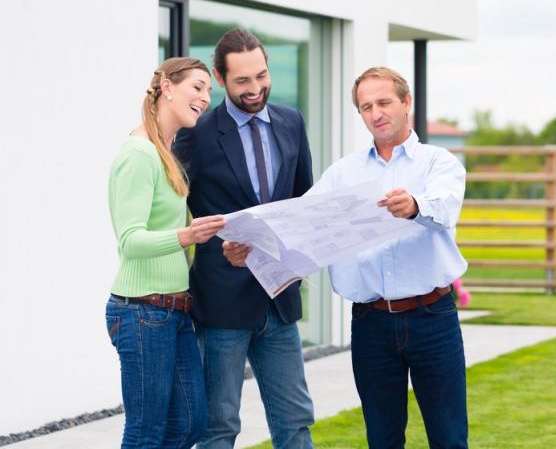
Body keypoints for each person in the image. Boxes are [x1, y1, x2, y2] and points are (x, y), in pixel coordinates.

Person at [225, 66, 470, 449]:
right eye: (366, 106)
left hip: (432, 319)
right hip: (370, 324)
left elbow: (445, 205)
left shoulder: (438, 163)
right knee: (382, 438)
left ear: (406, 103)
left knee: (449, 437)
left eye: (384, 102)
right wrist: (250, 248)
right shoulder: (342, 174)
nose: (376, 113)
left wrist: (414, 204)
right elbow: (299, 225)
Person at [173, 29, 315, 449]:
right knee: (219, 426)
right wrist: (219, 245)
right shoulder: (195, 134)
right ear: (220, 78)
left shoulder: (291, 122)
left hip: (279, 296)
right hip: (221, 304)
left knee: (295, 420)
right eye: (242, 81)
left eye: (261, 76)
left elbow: (301, 202)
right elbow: (171, 212)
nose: (255, 89)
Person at [106, 57, 225, 448]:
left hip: (174, 311)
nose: (205, 97)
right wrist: (186, 236)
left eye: (209, 90)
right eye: (197, 87)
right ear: (168, 87)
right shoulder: (139, 154)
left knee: (189, 424)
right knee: (146, 432)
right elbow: (131, 241)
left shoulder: (166, 153)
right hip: (142, 311)